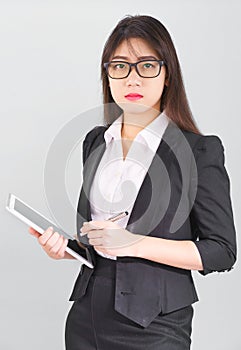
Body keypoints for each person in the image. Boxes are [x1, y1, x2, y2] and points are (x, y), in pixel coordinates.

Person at [29, 15, 237, 350]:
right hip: (87, 316)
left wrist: (133, 243)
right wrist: (66, 249)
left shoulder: (199, 151)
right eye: (120, 66)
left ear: (167, 74)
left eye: (147, 66)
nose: (132, 79)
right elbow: (100, 240)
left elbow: (222, 252)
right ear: (107, 74)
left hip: (156, 323)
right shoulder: (96, 142)